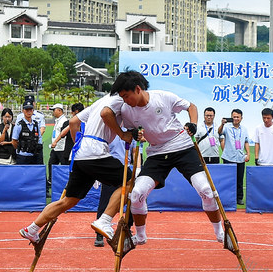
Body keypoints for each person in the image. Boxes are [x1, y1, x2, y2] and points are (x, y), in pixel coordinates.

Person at [101, 69, 225, 245]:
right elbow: (130, 129)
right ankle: (141, 236)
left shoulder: (163, 97)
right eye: (122, 97)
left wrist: (192, 123)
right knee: (136, 194)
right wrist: (133, 134)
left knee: (206, 190)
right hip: (156, 153)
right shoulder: (126, 110)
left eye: (126, 95)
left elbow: (191, 107)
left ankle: (220, 231)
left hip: (182, 147)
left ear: (137, 89)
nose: (125, 101)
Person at [19, 93, 131, 244]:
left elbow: (73, 122)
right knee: (131, 181)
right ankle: (104, 220)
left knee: (69, 200)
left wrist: (78, 143)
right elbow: (105, 114)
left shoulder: (99, 102)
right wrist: (122, 134)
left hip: (80, 154)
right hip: (96, 152)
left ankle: (32, 229)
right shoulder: (118, 101)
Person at [219, 109, 250, 205]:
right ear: (231, 117)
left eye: (238, 117)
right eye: (234, 117)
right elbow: (219, 132)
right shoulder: (227, 127)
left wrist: (248, 153)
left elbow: (246, 141)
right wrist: (222, 124)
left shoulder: (244, 129)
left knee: (239, 179)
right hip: (228, 157)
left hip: (240, 158)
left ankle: (239, 198)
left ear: (241, 118)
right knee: (228, 179)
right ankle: (228, 198)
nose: (236, 118)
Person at [48, 103, 70, 187]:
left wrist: (56, 142)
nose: (53, 112)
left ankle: (64, 183)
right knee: (51, 164)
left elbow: (63, 134)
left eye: (54, 110)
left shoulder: (64, 121)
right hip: (56, 148)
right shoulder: (58, 120)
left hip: (62, 148)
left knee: (63, 166)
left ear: (59, 110)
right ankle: (52, 181)